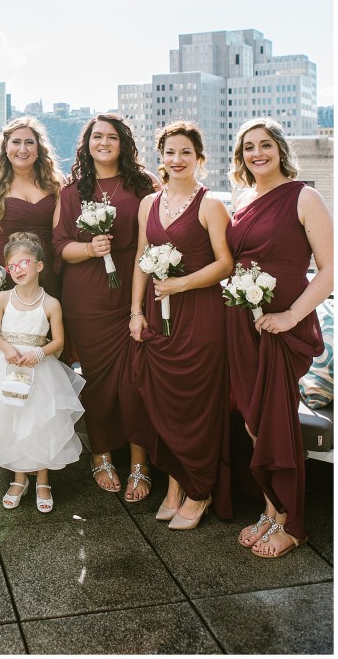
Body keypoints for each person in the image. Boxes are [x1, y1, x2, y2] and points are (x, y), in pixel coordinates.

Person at [226, 118, 332, 558]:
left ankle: (292, 523)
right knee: (254, 423)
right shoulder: (243, 197)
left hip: (282, 327)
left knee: (278, 423)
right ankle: (271, 511)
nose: (257, 153)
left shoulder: (305, 195)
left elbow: (328, 271)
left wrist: (290, 316)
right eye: (248, 147)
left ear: (280, 149)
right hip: (242, 323)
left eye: (265, 145)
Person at [129, 122, 234, 529]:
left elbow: (225, 263)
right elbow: (141, 256)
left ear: (199, 159)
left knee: (196, 403)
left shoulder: (210, 205)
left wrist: (181, 282)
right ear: (162, 157)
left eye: (186, 152)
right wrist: (135, 312)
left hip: (202, 314)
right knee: (164, 401)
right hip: (158, 313)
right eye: (170, 152)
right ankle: (175, 485)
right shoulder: (148, 204)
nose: (177, 159)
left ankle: (200, 490)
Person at [52, 113, 157, 501]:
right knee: (96, 381)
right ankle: (100, 454)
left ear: (123, 143)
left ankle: (140, 462)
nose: (104, 143)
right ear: (87, 143)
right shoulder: (72, 191)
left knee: (136, 380)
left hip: (134, 292)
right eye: (97, 137)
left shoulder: (145, 187)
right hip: (87, 298)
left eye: (112, 137)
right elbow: (60, 243)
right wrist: (89, 248)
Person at [0, 232, 84, 513]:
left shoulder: (51, 304)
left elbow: (58, 341)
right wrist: (6, 349)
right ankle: (19, 477)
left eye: (24, 263)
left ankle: (43, 478)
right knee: (11, 419)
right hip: (6, 367)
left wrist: (38, 353)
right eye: (12, 266)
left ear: (39, 266)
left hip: (39, 370)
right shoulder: (2, 299)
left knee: (39, 421)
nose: (18, 270)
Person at [0, 117, 64, 298]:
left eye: (29, 143)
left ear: (38, 149)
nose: (22, 149)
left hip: (47, 273)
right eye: (16, 142)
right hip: (3, 273)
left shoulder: (56, 185)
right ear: (6, 148)